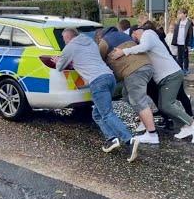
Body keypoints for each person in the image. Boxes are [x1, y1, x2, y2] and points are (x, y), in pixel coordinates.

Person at [53, 28, 139, 159]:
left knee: (107, 113)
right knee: (97, 114)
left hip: (97, 81)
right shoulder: (90, 42)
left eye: (64, 39)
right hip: (109, 77)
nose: (65, 42)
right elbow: (85, 58)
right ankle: (112, 139)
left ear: (69, 38)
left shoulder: (70, 47)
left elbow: (59, 67)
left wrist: (56, 60)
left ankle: (129, 140)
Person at [111, 26, 194, 141]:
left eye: (133, 38)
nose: (134, 41)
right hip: (167, 77)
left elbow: (144, 47)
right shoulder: (149, 38)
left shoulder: (148, 34)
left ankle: (191, 124)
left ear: (135, 33)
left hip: (171, 75)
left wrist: (123, 51)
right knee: (163, 105)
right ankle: (186, 125)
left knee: (167, 104)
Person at [95, 27, 158, 146]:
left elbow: (97, 60)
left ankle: (152, 134)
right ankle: (146, 119)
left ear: (100, 36)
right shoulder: (123, 35)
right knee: (127, 95)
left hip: (134, 71)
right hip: (146, 65)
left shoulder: (105, 41)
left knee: (138, 100)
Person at [172, 8, 193, 73]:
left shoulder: (189, 23)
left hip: (185, 43)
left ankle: (186, 69)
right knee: (179, 57)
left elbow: (190, 35)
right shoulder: (178, 22)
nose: (179, 15)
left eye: (181, 13)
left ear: (185, 14)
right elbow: (175, 32)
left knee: (185, 57)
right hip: (179, 42)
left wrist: (189, 44)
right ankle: (180, 69)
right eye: (179, 14)